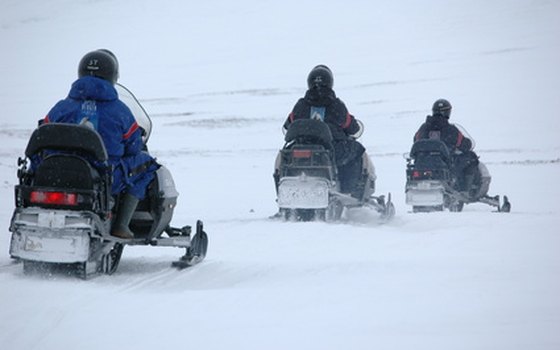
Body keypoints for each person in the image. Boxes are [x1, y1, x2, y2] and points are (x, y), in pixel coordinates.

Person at [41, 49, 159, 239]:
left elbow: (42, 137)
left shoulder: (61, 107)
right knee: (146, 164)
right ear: (113, 75)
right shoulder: (120, 111)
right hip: (104, 177)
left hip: (55, 172)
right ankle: (121, 224)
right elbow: (133, 147)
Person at [282, 65, 366, 198]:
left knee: (283, 157)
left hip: (301, 147)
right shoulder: (336, 105)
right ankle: (348, 190)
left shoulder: (301, 105)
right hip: (331, 149)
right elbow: (351, 127)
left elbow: (288, 125)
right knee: (357, 150)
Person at [413, 98, 479, 195]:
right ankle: (464, 190)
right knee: (471, 157)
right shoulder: (450, 130)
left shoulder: (423, 128)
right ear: (447, 112)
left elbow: (416, 141)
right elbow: (465, 145)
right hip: (445, 165)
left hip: (422, 163)